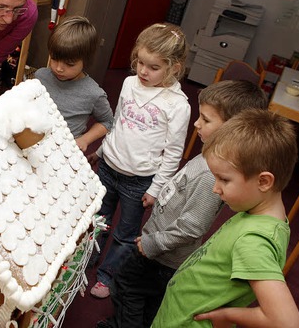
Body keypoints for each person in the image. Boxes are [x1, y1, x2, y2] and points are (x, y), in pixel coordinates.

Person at [97, 80, 269, 328]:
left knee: (126, 286)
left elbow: (192, 227)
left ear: (234, 129)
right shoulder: (210, 155)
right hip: (159, 249)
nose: (197, 124)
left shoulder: (212, 173)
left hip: (162, 256)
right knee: (149, 299)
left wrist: (152, 243)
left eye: (206, 120)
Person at [152, 109, 299, 328]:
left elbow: (286, 322)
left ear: (263, 182)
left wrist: (229, 316)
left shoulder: (254, 241)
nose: (215, 189)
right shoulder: (257, 213)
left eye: (224, 179)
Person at [89, 23, 191, 299]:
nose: (143, 71)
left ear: (174, 68)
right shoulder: (128, 83)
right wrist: (100, 153)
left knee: (125, 233)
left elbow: (173, 153)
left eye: (154, 67)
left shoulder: (177, 104)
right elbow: (117, 122)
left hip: (140, 181)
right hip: (109, 167)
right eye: (140, 62)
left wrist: (156, 189)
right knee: (98, 219)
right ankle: (86, 260)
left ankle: (107, 275)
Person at [35, 16, 113, 152]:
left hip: (64, 152)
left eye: (69, 64)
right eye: (54, 59)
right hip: (34, 145)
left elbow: (107, 122)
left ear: (86, 61)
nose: (59, 68)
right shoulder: (40, 76)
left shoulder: (94, 93)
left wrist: (85, 139)